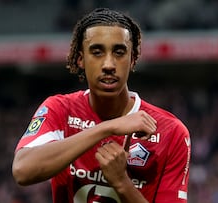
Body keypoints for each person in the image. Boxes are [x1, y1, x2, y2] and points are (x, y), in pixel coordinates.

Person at [12, 7, 191, 203]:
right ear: (81, 59)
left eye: (119, 52)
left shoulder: (171, 132)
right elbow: (23, 170)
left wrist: (122, 183)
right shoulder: (60, 110)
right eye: (97, 52)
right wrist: (108, 128)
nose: (108, 64)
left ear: (132, 59)